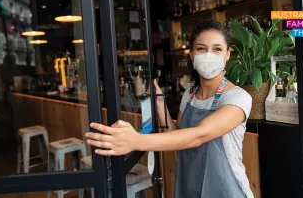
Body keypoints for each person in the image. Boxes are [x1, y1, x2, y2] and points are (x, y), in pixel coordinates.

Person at [86, 20, 254, 198]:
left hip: (226, 191)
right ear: (192, 55)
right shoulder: (189, 94)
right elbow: (179, 137)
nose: (209, 55)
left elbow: (198, 136)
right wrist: (160, 106)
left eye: (217, 49)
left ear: (228, 55)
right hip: (189, 187)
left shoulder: (237, 97)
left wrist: (136, 141)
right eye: (201, 49)